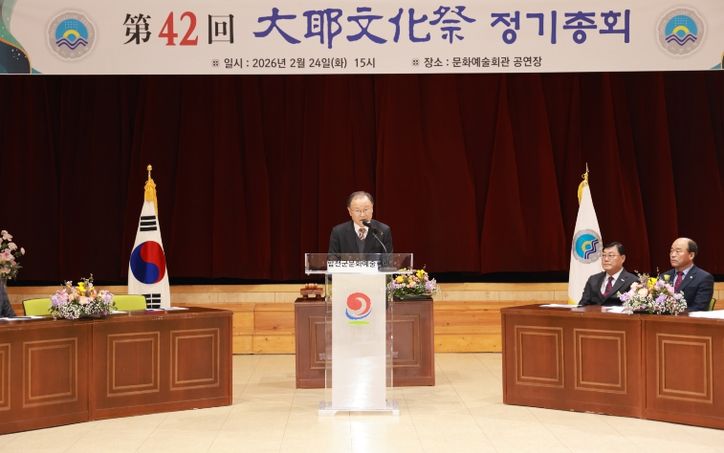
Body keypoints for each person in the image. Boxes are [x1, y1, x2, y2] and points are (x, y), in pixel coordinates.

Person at [328, 191, 393, 256]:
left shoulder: (383, 230)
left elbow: (388, 260)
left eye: (366, 209)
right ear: (350, 211)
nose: (362, 215)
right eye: (357, 210)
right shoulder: (338, 232)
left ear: (372, 209)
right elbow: (332, 259)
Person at [662, 237, 714, 312]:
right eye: (671, 251)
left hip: (689, 318)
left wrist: (673, 313)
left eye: (678, 251)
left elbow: (699, 308)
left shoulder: (704, 278)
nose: (673, 255)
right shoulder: (664, 276)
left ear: (691, 255)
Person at [579, 242, 637, 307]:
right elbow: (582, 306)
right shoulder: (593, 279)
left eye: (611, 255)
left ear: (622, 258)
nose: (606, 259)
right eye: (603, 255)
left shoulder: (632, 281)